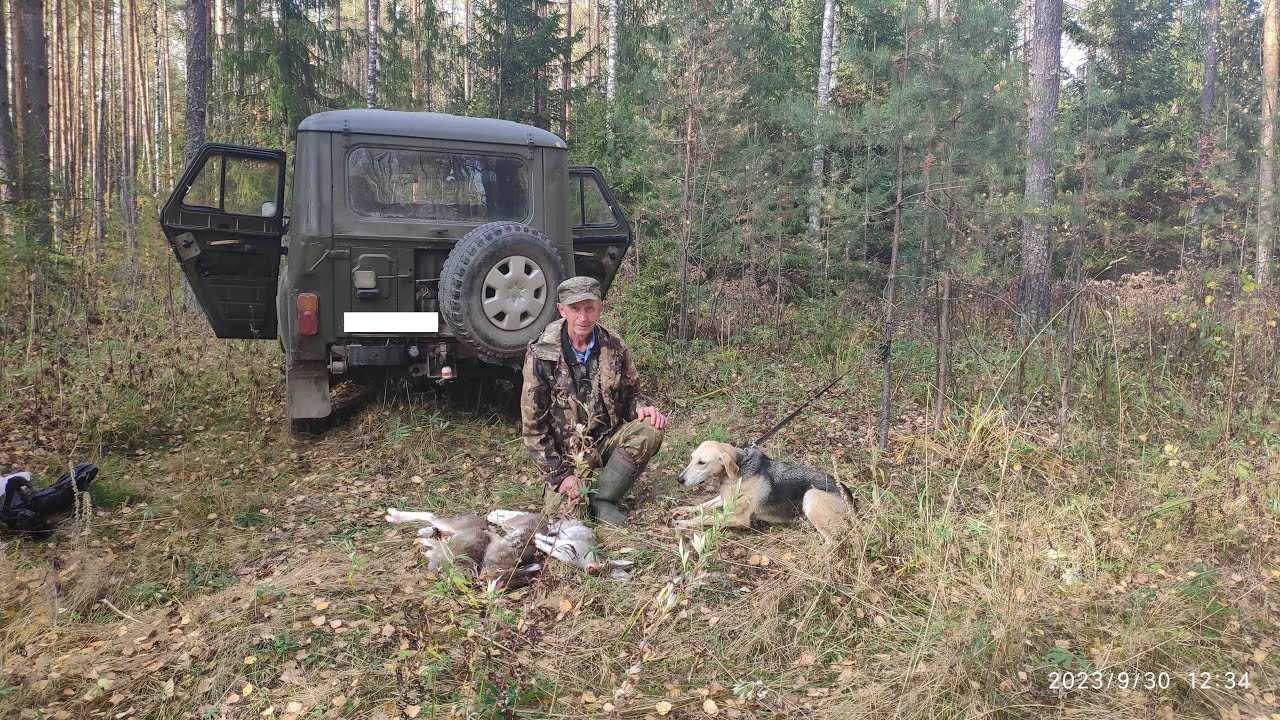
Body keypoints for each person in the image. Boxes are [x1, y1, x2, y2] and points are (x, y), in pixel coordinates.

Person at [520, 276, 667, 525]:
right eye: (575, 309)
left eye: (589, 308)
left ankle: (605, 499)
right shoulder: (541, 353)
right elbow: (533, 430)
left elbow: (631, 395)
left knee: (650, 429)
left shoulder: (614, 344)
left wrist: (644, 409)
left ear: (600, 306)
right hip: (567, 456)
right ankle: (577, 489)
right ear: (561, 310)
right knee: (569, 523)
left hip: (605, 439)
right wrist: (560, 476)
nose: (583, 317)